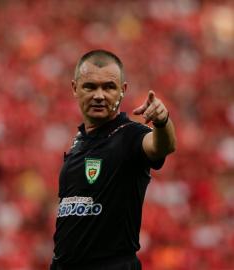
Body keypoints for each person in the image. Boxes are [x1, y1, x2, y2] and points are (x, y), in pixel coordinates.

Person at [50, 49, 176, 270]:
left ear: (123, 90)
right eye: (90, 86)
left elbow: (161, 145)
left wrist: (162, 121)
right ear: (75, 88)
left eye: (109, 87)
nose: (99, 95)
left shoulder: (129, 135)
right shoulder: (78, 144)